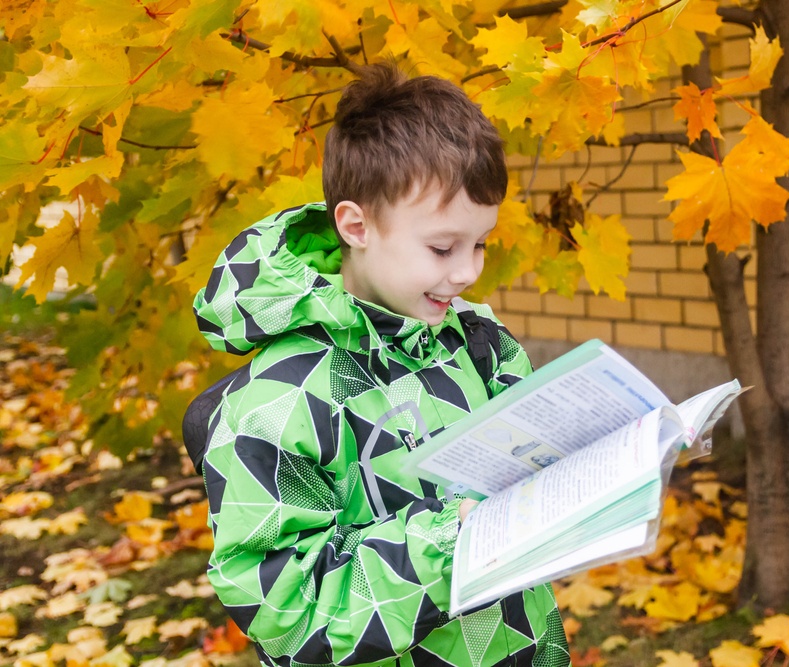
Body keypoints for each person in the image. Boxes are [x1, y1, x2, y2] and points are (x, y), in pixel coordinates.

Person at [191, 63, 570, 667]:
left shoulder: (478, 342)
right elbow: (286, 615)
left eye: (481, 244)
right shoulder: (282, 397)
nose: (469, 271)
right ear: (357, 225)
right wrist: (455, 545)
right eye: (443, 248)